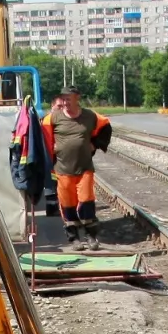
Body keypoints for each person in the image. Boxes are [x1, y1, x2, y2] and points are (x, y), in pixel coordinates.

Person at [39, 86, 112, 250]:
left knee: (86, 202)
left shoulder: (90, 116)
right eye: (63, 98)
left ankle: (91, 237)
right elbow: (42, 137)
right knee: (67, 205)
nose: (65, 102)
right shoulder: (52, 118)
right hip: (62, 170)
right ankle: (74, 238)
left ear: (77, 98)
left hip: (84, 168)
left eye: (68, 98)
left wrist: (96, 144)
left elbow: (106, 126)